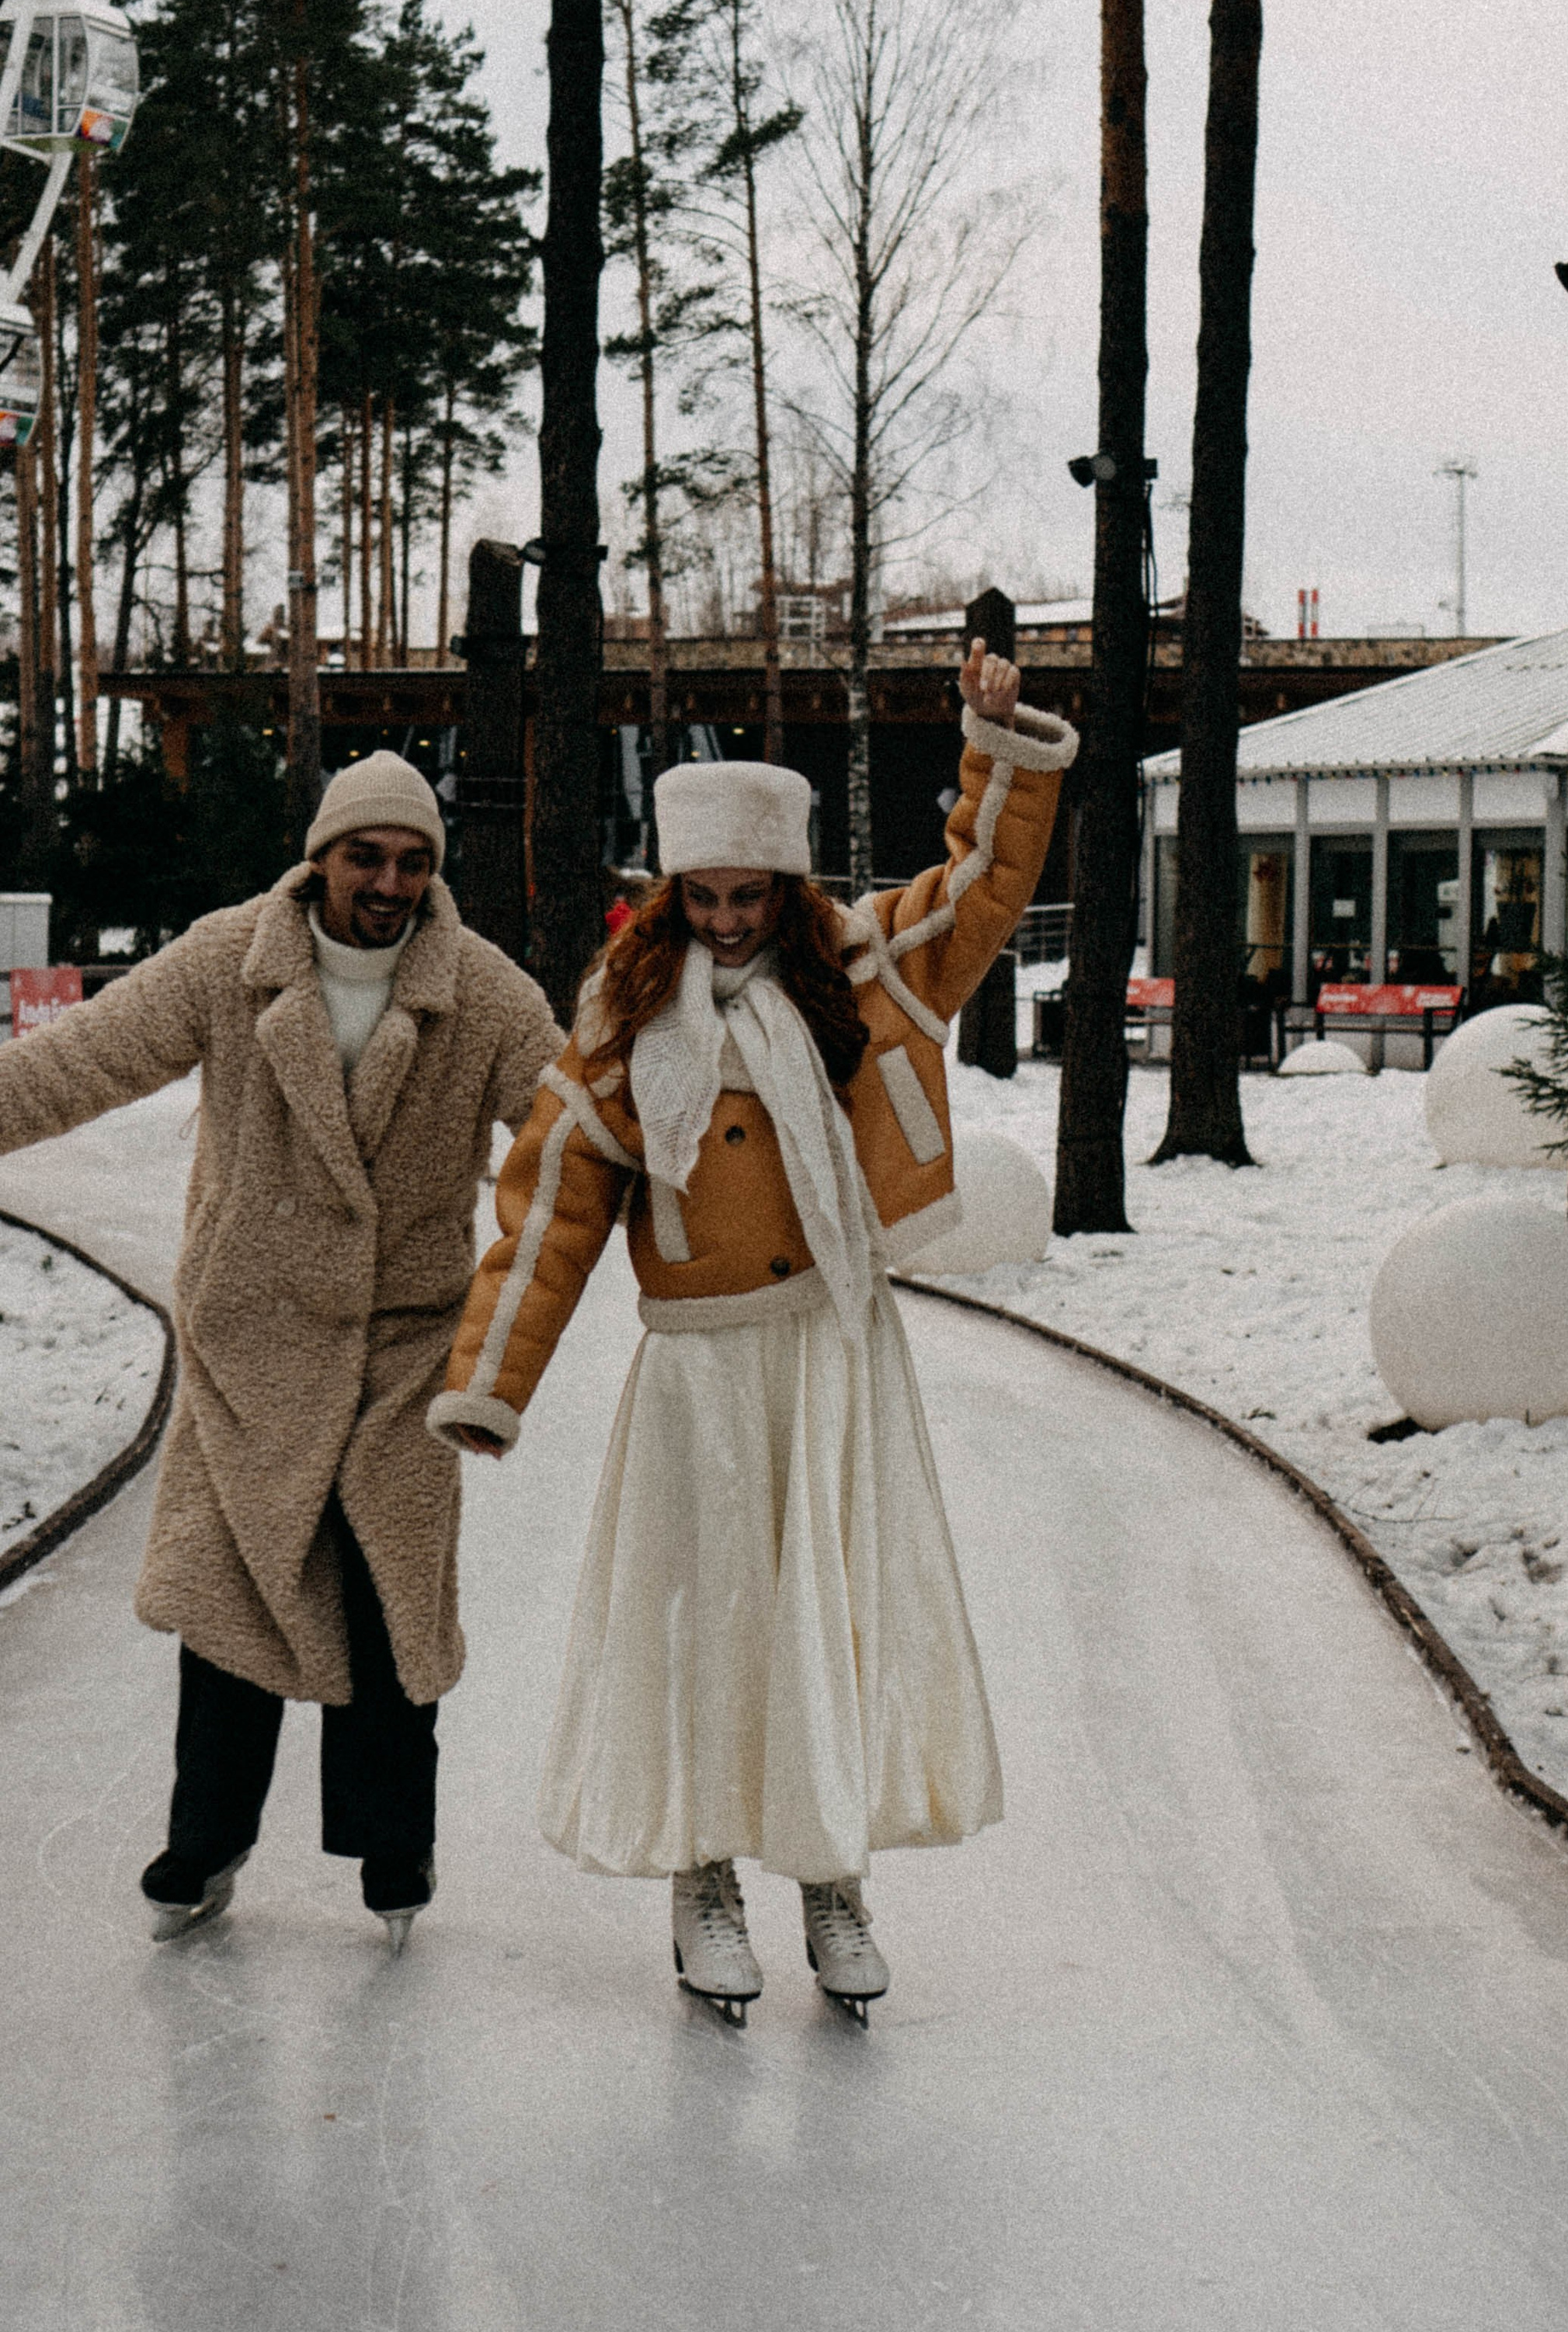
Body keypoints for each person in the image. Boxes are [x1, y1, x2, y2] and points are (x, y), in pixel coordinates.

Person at [430, 643, 1076, 2021]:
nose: (726, 922)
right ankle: (705, 1876)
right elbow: (547, 1207)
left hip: (834, 1354)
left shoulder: (864, 971)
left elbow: (982, 882)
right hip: (703, 1372)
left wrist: (993, 740)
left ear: (787, 889)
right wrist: (490, 1383)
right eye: (703, 896)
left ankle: (830, 1877)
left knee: (823, 1618)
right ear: (670, 893)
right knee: (717, 1624)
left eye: (749, 896)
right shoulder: (623, 1024)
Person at [0, 752, 560, 1946]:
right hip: (248, 1345)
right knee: (234, 1607)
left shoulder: (485, 992)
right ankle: (206, 1845)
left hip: (404, 1352)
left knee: (388, 1607)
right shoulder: (228, 959)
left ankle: (393, 1856)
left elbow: (572, 1142)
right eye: (368, 856)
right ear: (323, 857)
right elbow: (77, 1061)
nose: (391, 883)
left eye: (413, 862)